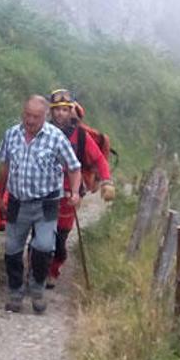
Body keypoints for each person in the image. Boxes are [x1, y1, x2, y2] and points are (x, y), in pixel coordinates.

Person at [0, 95, 81, 314]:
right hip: (17, 200)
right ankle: (15, 293)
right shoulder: (12, 134)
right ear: (22, 113)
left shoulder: (56, 138)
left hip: (46, 202)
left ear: (45, 116)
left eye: (35, 116)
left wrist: (74, 191)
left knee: (44, 246)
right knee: (13, 249)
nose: (30, 120)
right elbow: (4, 166)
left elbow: (74, 167)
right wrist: (0, 195)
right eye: (27, 115)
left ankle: (37, 288)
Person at [47, 89, 116, 289]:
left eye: (64, 109)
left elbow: (99, 160)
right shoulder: (43, 130)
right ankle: (38, 268)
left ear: (71, 111)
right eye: (57, 109)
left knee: (60, 235)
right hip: (44, 191)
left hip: (70, 194)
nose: (60, 113)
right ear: (51, 112)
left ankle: (54, 268)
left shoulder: (81, 136)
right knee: (40, 233)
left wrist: (107, 181)